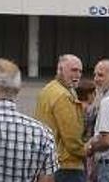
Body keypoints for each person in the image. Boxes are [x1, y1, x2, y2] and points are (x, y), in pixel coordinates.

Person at [36, 54, 87, 182]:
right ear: (60, 70)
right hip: (67, 166)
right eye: (73, 70)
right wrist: (87, 151)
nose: (78, 75)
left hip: (47, 164)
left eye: (80, 71)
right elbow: (72, 139)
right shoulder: (63, 96)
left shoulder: (48, 90)